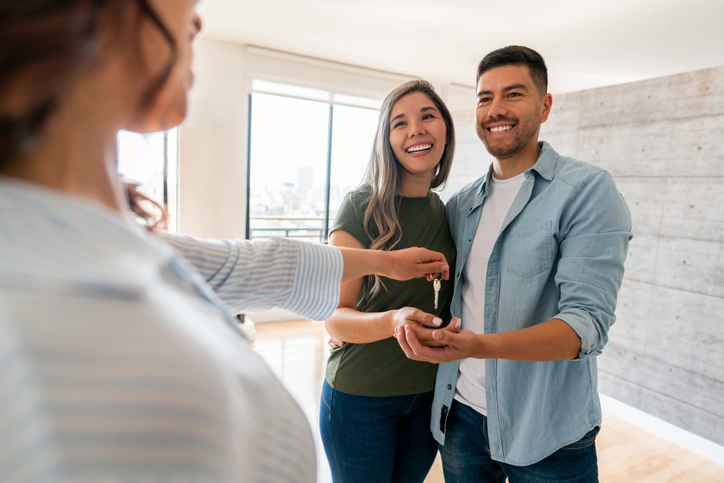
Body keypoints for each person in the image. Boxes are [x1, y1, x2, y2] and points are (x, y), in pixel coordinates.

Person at [0, 1, 451, 481]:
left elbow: (255, 264)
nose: (196, 22)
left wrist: (388, 264)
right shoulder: (42, 344)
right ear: (89, 17)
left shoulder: (115, 242)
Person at [396, 46, 633, 482]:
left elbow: (585, 326)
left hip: (547, 430)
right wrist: (349, 325)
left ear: (544, 106)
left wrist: (478, 345)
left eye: (513, 94)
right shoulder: (461, 204)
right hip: (461, 418)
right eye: (485, 98)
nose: (495, 109)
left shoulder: (586, 191)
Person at [319, 79, 458, 483]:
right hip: (360, 395)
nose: (415, 129)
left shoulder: (451, 214)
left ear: (446, 132)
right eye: (400, 122)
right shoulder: (359, 207)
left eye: (427, 116)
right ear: (387, 140)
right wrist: (393, 320)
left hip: (429, 396)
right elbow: (334, 318)